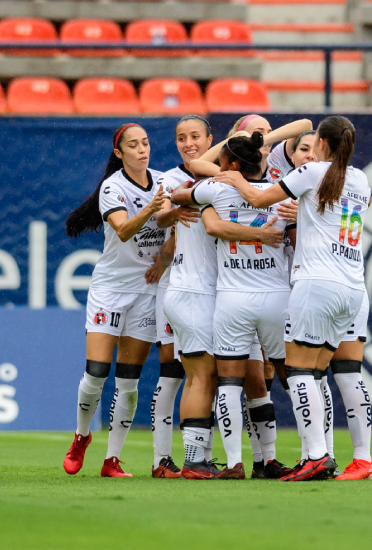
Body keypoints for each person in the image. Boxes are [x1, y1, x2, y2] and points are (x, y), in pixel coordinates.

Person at [213, 115, 369, 482]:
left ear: (322, 145)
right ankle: (321, 453)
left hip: (316, 284)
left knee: (298, 371)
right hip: (352, 287)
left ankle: (316, 455)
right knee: (315, 374)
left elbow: (258, 196)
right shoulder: (361, 179)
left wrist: (235, 177)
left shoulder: (312, 173)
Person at [165, 132, 285, 480]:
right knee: (203, 376)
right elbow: (179, 199)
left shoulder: (211, 189)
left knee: (251, 382)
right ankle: (194, 460)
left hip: (223, 297)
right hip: (200, 293)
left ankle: (260, 460)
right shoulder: (276, 191)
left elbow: (180, 195)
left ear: (230, 163)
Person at [61, 123, 167, 478]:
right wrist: (153, 207)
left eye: (146, 143)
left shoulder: (164, 180)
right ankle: (81, 436)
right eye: (133, 145)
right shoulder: (113, 187)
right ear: (119, 153)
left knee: (129, 380)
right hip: (111, 289)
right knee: (96, 373)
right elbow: (123, 230)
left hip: (147, 290)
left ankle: (112, 460)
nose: (142, 149)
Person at [146, 115, 209, 478]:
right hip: (177, 287)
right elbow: (160, 218)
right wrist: (174, 212)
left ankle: (200, 454)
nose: (189, 143)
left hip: (209, 287)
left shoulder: (220, 175)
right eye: (182, 138)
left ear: (209, 139)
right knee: (172, 369)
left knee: (205, 373)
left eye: (195, 136)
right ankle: (160, 459)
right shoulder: (171, 179)